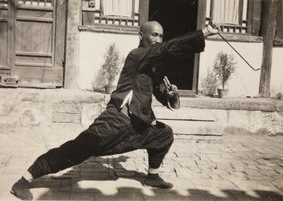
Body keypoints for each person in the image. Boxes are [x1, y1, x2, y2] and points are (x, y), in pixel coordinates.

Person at [11, 21, 219, 200]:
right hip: (114, 122)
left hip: (137, 126)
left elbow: (161, 93)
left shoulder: (153, 66)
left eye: (161, 36)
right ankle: (24, 180)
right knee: (74, 151)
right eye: (154, 35)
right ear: (141, 35)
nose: (158, 39)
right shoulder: (136, 55)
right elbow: (167, 49)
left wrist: (171, 95)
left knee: (163, 135)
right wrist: (203, 33)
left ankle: (152, 176)